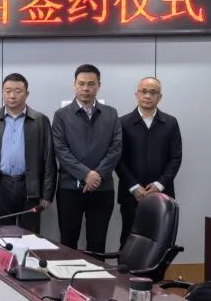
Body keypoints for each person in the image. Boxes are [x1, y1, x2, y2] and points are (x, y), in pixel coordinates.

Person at [52, 64, 122, 253]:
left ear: (99, 86)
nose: (85, 88)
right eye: (81, 83)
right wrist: (85, 174)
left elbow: (115, 148)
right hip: (69, 189)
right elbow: (61, 150)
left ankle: (97, 274)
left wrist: (96, 175)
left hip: (102, 188)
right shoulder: (61, 116)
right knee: (68, 242)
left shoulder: (111, 113)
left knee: (97, 244)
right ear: (74, 85)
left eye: (91, 84)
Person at [0, 73, 56, 234]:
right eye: (8, 91)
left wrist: (47, 193)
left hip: (29, 186)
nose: (12, 95)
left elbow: (49, 159)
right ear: (2, 92)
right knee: (0, 234)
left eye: (17, 91)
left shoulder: (40, 120)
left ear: (27, 94)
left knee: (30, 235)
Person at [116, 77, 182, 246]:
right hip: (131, 195)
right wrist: (134, 187)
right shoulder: (122, 123)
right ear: (136, 94)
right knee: (129, 240)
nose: (147, 96)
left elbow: (175, 158)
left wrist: (159, 185)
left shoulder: (170, 123)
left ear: (160, 97)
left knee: (161, 243)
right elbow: (118, 159)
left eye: (153, 92)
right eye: (144, 91)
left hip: (162, 194)